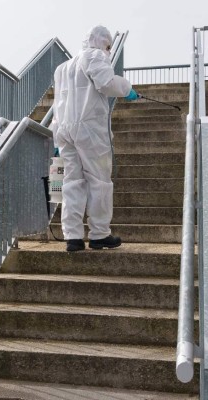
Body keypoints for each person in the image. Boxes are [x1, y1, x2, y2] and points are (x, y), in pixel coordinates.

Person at [51, 25, 138, 252]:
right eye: (108, 46)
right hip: (90, 130)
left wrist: (56, 140)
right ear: (100, 42)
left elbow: (57, 105)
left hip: (65, 132)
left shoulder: (63, 68)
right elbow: (107, 83)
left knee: (72, 183)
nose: (109, 51)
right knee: (99, 181)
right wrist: (127, 89)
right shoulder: (95, 55)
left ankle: (73, 237)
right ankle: (99, 234)